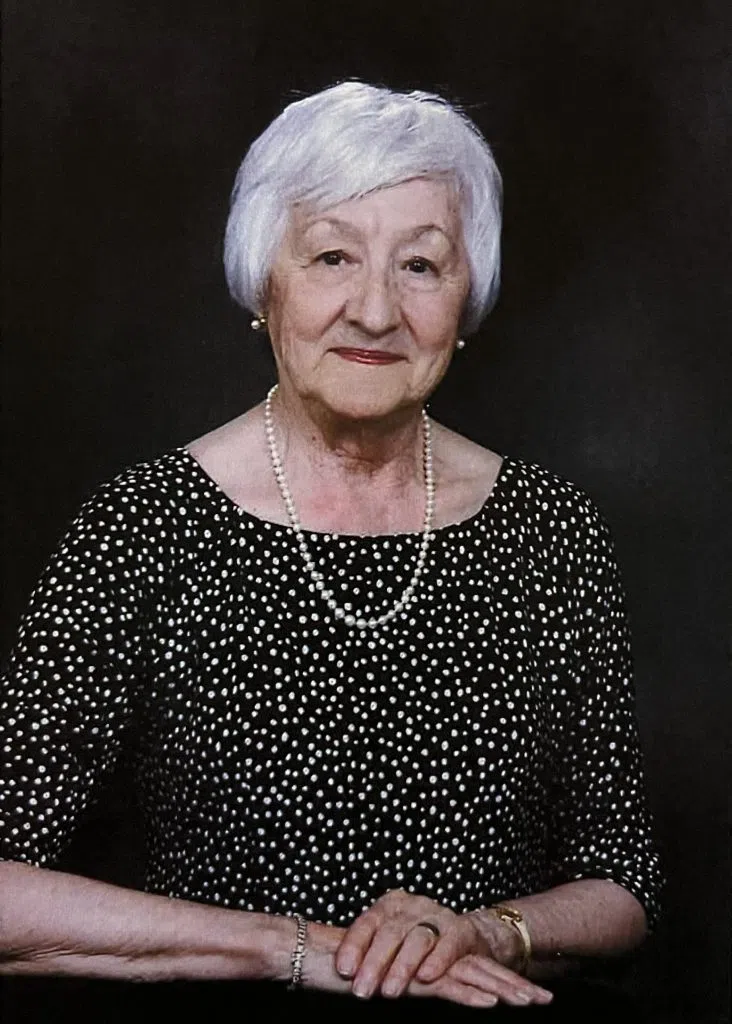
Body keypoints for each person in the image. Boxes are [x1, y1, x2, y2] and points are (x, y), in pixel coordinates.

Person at [0, 81, 661, 1019]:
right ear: (264, 282)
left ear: (466, 299)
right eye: (332, 256)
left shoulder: (551, 529)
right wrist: (291, 948)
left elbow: (622, 881)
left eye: (420, 265)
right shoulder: (142, 526)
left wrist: (489, 932)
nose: (376, 311)